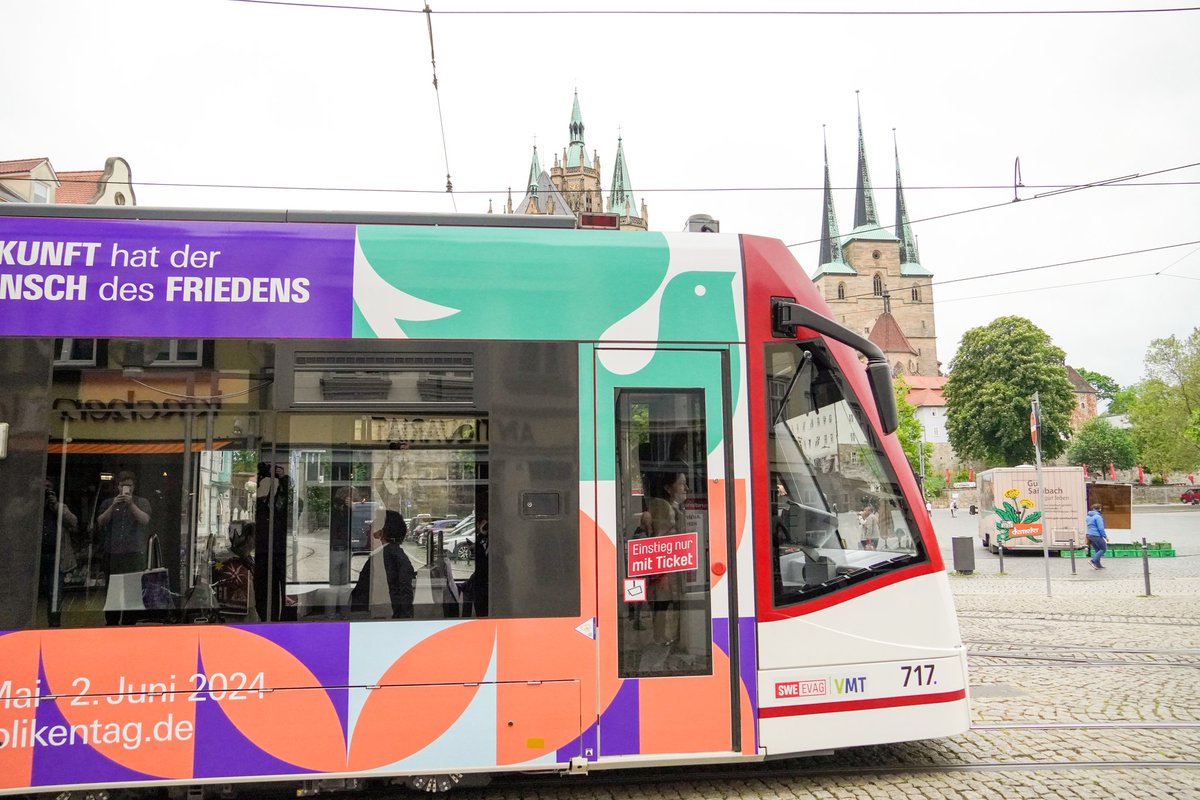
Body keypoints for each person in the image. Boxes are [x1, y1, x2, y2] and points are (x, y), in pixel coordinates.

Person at [647, 469, 688, 646]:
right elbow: (660, 539)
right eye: (680, 483)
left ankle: (670, 637)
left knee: (670, 601)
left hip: (673, 564)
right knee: (664, 602)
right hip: (667, 565)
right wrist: (661, 571)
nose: (685, 487)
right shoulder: (662, 506)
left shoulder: (674, 506)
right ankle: (662, 637)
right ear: (668, 488)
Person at [351, 510, 415, 618]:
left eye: (372, 527)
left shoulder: (380, 559)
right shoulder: (398, 555)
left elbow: (362, 599)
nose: (367, 532)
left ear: (381, 533)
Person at [96, 471, 152, 575]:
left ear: (133, 487)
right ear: (118, 487)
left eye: (129, 486)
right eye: (122, 486)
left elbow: (145, 520)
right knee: (112, 585)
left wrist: (131, 505)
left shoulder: (141, 502)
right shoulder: (108, 503)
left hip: (134, 552)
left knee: (134, 584)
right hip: (113, 553)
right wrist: (113, 506)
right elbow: (101, 522)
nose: (126, 489)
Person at [40, 479, 79, 626]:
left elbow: (73, 522)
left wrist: (55, 505)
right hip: (34, 558)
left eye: (48, 487)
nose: (45, 490)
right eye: (42, 486)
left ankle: (54, 626)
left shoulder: (59, 507)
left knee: (54, 594)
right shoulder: (33, 506)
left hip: (56, 558)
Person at [1086, 503, 1108, 569]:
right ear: (1100, 509)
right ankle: (1092, 561)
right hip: (1096, 535)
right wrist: (1105, 536)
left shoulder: (1088, 517)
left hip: (1089, 535)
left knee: (1097, 550)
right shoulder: (1098, 517)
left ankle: (1098, 565)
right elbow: (1100, 528)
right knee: (1103, 549)